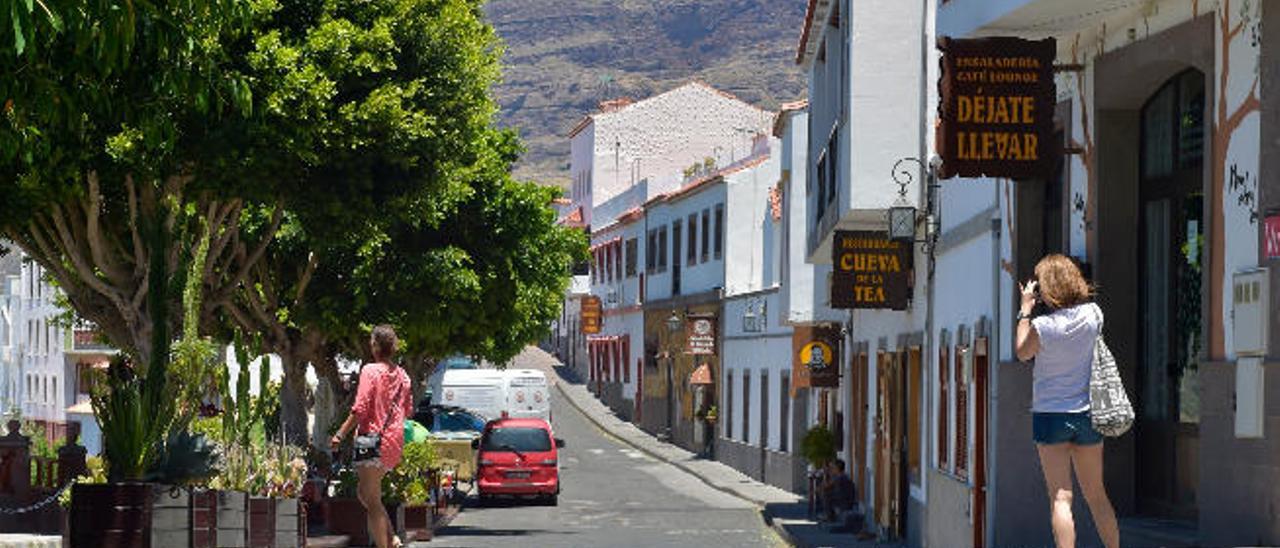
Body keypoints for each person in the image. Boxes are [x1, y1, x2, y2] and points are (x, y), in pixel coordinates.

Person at [1015, 255, 1119, 548]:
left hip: (1050, 415)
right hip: (1087, 413)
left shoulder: (1044, 326)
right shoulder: (1094, 314)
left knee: (1061, 497)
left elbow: (1022, 352)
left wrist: (1025, 311)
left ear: (1044, 288)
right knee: (1096, 494)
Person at [331, 325, 413, 548]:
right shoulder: (403, 375)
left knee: (372, 500)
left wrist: (341, 433)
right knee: (364, 493)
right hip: (393, 441)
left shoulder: (370, 370)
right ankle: (392, 536)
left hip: (371, 439)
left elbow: (361, 408)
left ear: (375, 345)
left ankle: (384, 543)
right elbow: (409, 408)